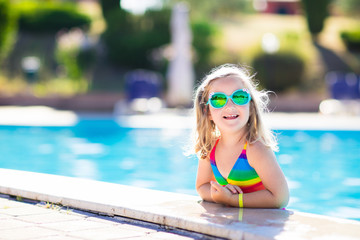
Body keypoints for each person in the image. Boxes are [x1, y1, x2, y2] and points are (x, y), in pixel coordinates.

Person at [193, 63, 289, 208]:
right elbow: (202, 186)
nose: (230, 106)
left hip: (263, 226)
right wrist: (218, 195)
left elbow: (280, 198)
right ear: (207, 111)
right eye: (218, 99)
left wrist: (231, 200)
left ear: (251, 107)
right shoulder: (210, 147)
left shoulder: (255, 149)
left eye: (239, 97)